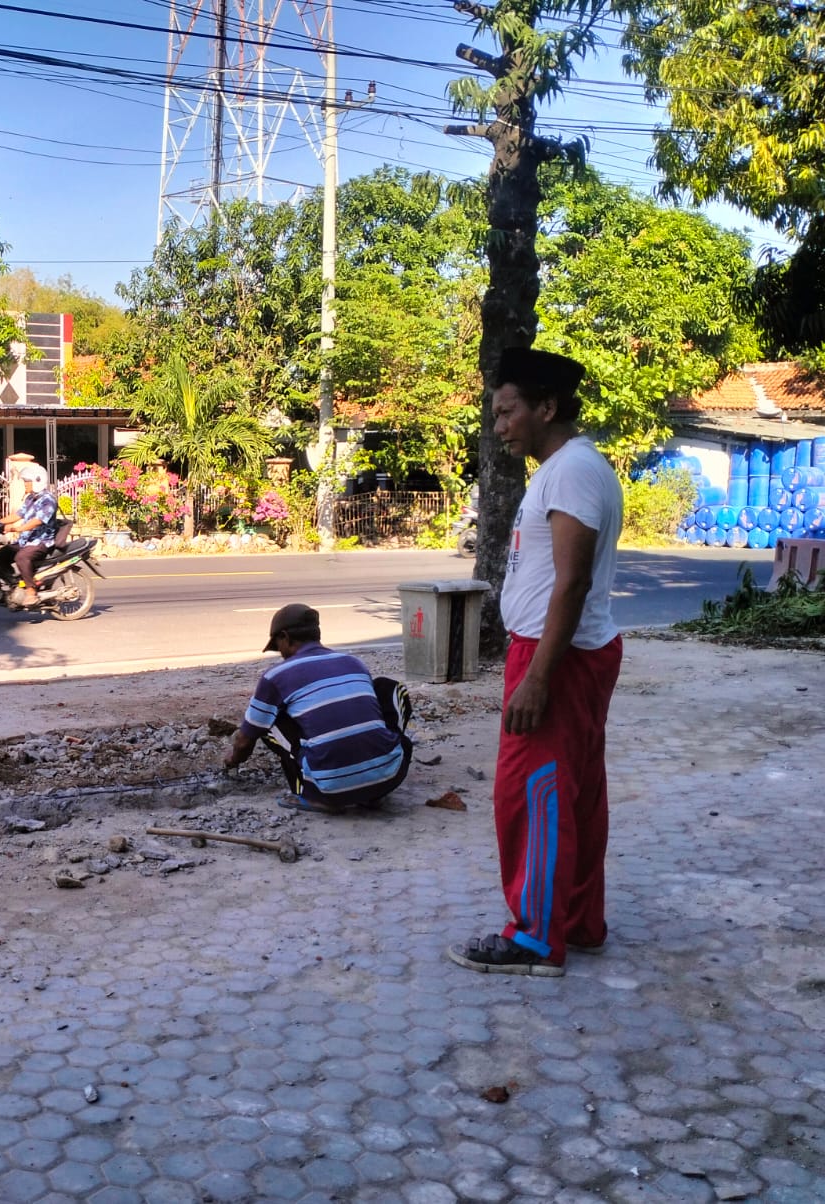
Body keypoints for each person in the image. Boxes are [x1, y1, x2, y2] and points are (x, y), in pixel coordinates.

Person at [447, 346, 623, 978]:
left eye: (507, 411)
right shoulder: (565, 468)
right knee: (571, 791)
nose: (499, 427)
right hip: (566, 650)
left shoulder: (572, 470)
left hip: (559, 656)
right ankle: (577, 923)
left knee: (532, 794)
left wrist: (538, 677)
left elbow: (570, 583)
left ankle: (534, 940)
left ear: (547, 407)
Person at [223, 603, 412, 813]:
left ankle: (311, 796)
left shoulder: (275, 677)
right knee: (389, 689)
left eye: (278, 645)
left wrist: (232, 761)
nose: (281, 653)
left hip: (329, 791)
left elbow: (245, 740)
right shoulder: (354, 663)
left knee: (269, 718)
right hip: (390, 778)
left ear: (285, 637)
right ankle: (374, 782)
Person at [0, 463, 60, 606]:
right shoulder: (30, 498)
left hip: (41, 542)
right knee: (0, 556)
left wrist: (17, 529)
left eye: (27, 481)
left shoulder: (48, 500)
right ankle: (15, 584)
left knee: (21, 557)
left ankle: (31, 591)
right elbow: (18, 515)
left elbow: (37, 521)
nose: (25, 484)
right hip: (27, 541)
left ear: (37, 481)